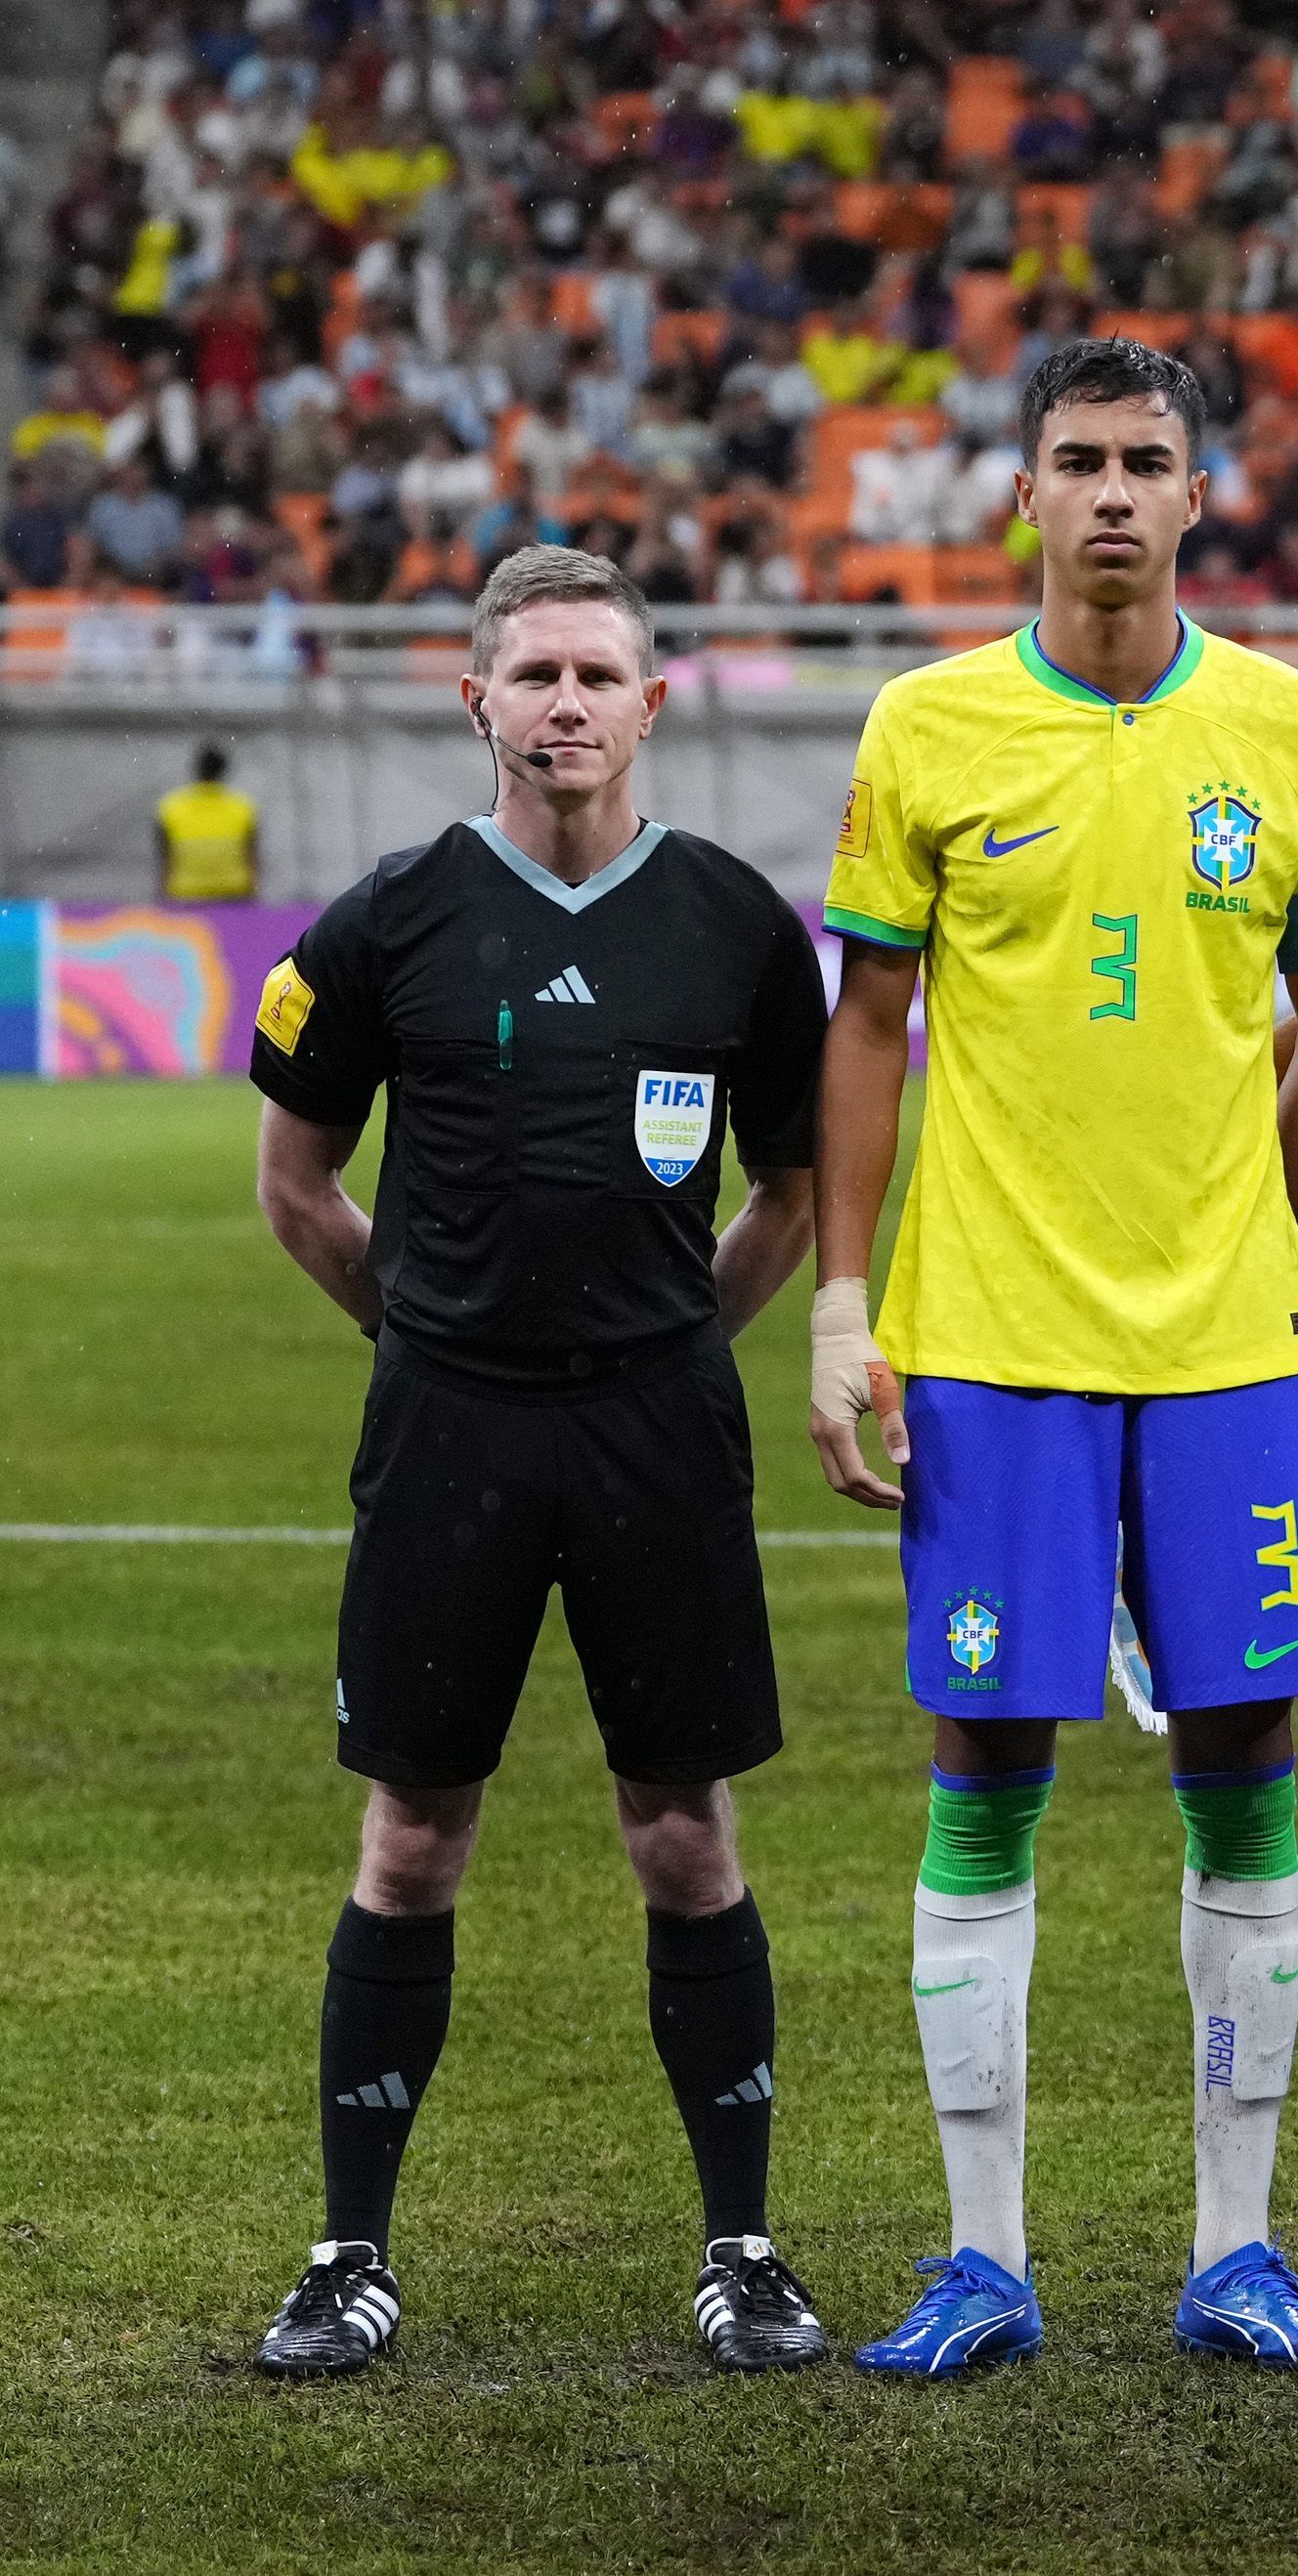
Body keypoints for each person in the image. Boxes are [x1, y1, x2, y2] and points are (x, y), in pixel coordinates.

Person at [808, 339, 1298, 2378]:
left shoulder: (1296, 732)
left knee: (1246, 1764)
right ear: (1023, 496)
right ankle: (986, 2257)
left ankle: (1238, 2249)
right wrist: (844, 1296)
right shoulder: (929, 724)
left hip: (1229, 1349)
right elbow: (866, 1024)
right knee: (990, 1768)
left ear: (1202, 491)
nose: (1116, 492)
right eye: (1081, 460)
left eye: (1151, 459)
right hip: (988, 1342)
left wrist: (1259, 1212)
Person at [241, 545, 830, 2378]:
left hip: (659, 1431)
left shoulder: (736, 925)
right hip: (448, 1429)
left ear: (655, 705)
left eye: (600, 676)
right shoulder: (383, 920)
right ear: (473, 699)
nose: (567, 705)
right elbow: (296, 1182)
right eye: (536, 676)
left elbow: (798, 1192)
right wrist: (424, 1336)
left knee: (685, 1833)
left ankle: (741, 2246)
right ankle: (348, 2253)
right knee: (413, 1837)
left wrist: (669, 1353)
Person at [156, 741, 259, 899]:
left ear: (196, 769)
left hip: (187, 894)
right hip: (232, 893)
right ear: (224, 770)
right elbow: (251, 855)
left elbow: (165, 857)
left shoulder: (172, 806)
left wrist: (163, 896)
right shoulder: (242, 806)